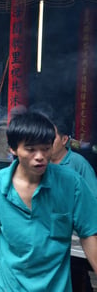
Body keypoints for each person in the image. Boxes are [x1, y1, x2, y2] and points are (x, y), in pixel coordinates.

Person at [0, 111, 97, 291]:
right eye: (31, 149)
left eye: (46, 148)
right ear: (13, 149)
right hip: (6, 285)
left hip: (54, 287)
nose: (40, 156)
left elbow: (89, 235)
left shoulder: (72, 184)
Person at [51, 117, 97, 292]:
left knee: (77, 280)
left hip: (76, 242)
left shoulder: (78, 164)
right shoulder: (41, 164)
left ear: (64, 140)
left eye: (52, 138)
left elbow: (93, 199)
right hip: (51, 240)